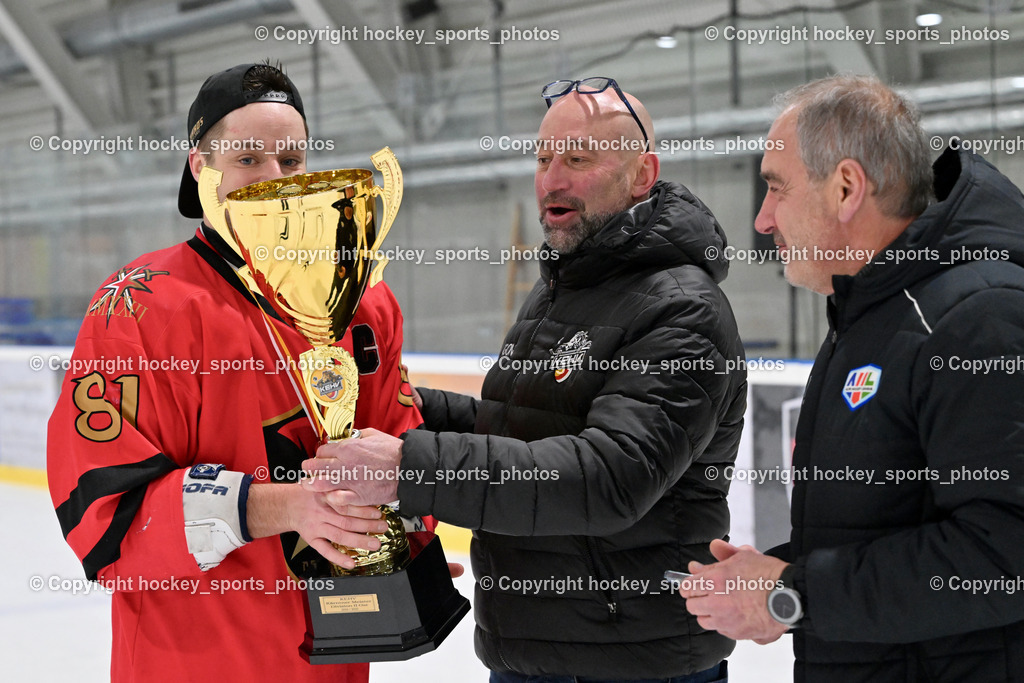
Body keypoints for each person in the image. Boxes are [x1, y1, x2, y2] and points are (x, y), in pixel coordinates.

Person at [305, 77, 747, 682]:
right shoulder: (560, 289)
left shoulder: (682, 309)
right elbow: (519, 433)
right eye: (543, 158)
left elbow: (610, 476)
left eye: (578, 158)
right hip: (530, 652)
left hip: (634, 662)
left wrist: (411, 468)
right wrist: (399, 403)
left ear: (642, 174)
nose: (552, 179)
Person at [46, 62, 423, 682]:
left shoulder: (363, 301)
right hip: (192, 662)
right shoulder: (139, 306)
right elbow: (101, 515)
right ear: (201, 168)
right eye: (248, 159)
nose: (275, 180)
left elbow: (398, 447)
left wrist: (406, 545)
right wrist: (282, 507)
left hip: (335, 661)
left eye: (290, 160)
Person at [679, 74, 1024, 682]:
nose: (762, 220)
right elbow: (892, 526)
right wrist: (778, 575)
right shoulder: (875, 314)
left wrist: (790, 593)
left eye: (776, 189)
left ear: (845, 188)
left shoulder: (978, 318)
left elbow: (1004, 554)